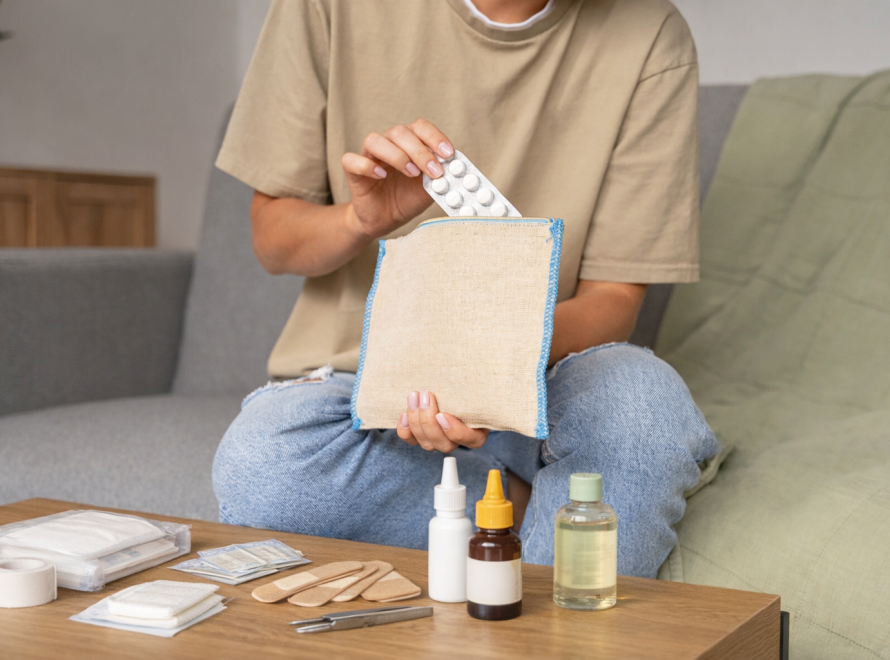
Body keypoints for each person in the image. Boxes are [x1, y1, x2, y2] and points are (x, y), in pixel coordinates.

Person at [212, 0, 718, 576]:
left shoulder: (650, 34)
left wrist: (479, 365)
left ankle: (538, 609)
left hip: (546, 381)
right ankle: (530, 520)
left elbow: (616, 300)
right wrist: (362, 220)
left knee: (643, 405)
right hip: (365, 393)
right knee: (266, 463)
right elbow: (273, 241)